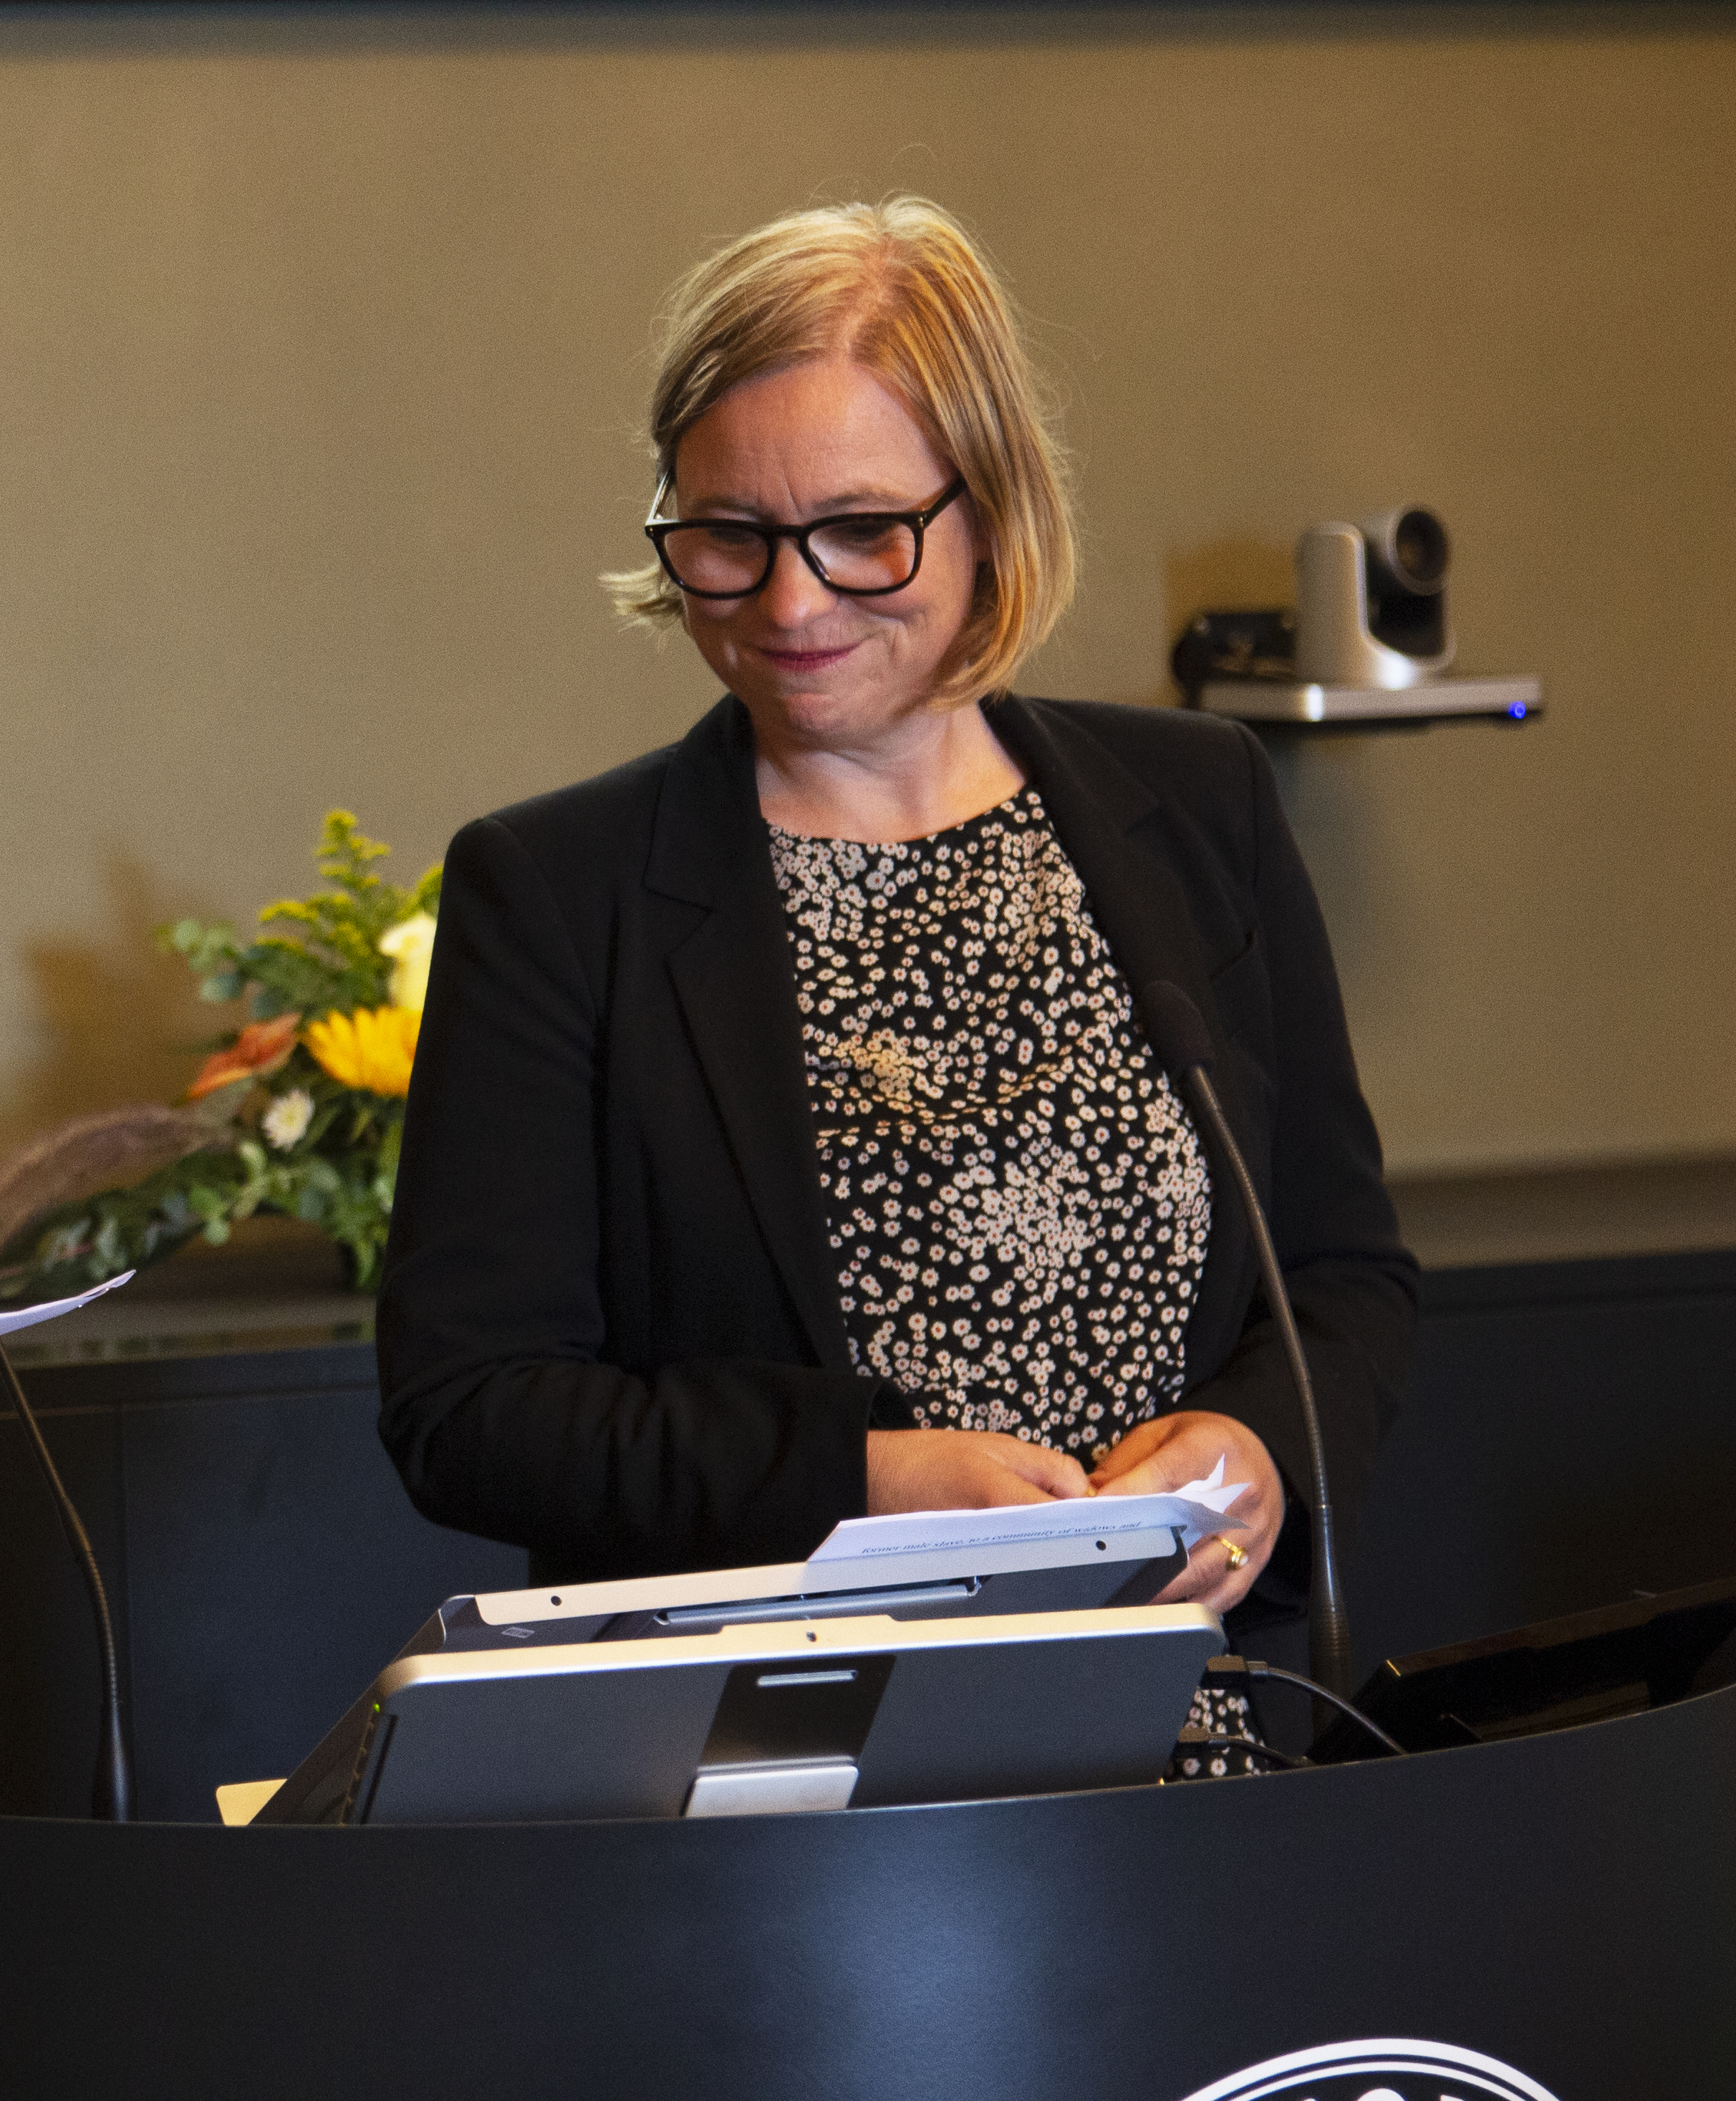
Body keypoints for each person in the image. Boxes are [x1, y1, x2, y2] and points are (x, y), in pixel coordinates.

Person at [376, 198, 1416, 1764]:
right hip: (776, 1784)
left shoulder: (1197, 809)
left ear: (992, 510)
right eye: (730, 536)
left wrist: (1261, 1449)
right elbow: (471, 1412)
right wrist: (864, 1481)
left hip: (1203, 1747)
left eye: (864, 531)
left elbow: (1345, 1283)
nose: (791, 607)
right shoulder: (560, 892)